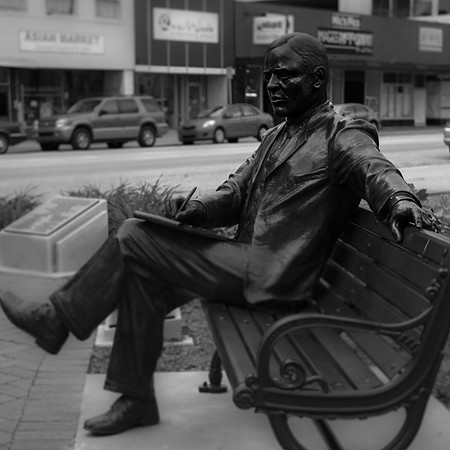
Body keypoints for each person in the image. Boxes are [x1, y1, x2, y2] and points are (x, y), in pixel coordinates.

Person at [0, 32, 432, 436]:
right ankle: (136, 400)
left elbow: (375, 169)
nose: (272, 85)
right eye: (268, 76)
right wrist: (199, 209)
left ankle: (55, 321)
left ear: (318, 79)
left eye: (284, 75)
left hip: (273, 276)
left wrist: (401, 201)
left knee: (132, 235)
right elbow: (236, 190)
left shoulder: (342, 134)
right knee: (142, 276)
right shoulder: (277, 134)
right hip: (245, 262)